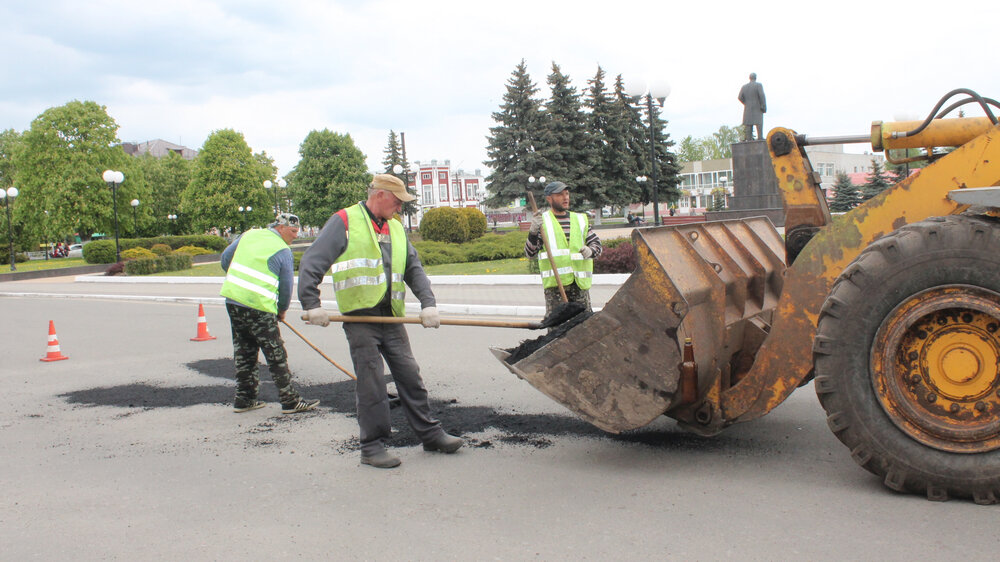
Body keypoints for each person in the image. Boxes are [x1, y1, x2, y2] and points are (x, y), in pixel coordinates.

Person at [298, 174, 463, 469]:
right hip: (360, 316)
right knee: (372, 382)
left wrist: (429, 304)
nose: (400, 207)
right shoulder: (345, 221)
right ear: (381, 195)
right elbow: (313, 260)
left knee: (410, 374)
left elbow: (413, 268)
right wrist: (311, 304)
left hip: (391, 315)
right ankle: (372, 447)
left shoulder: (396, 228)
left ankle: (430, 434)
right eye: (397, 200)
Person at [219, 213, 319, 415]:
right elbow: (286, 287)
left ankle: (244, 399)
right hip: (259, 306)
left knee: (244, 350)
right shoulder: (282, 250)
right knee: (275, 354)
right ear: (280, 227)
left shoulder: (249, 234)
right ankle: (290, 400)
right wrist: (281, 310)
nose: (294, 236)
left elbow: (225, 260)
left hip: (233, 300)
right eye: (292, 232)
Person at [525, 181, 603, 316]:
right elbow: (530, 253)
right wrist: (532, 232)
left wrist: (590, 251)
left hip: (579, 287)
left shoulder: (580, 219)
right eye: (560, 195)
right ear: (549, 198)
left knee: (583, 327)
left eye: (567, 194)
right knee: (558, 330)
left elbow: (597, 245)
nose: (566, 197)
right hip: (556, 289)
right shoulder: (542, 222)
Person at [738, 72, 767, 141]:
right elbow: (762, 96)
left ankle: (749, 139)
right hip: (757, 108)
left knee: (748, 124)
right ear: (755, 78)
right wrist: (763, 106)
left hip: (747, 108)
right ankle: (760, 137)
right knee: (759, 123)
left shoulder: (744, 87)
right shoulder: (758, 85)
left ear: (749, 78)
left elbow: (739, 97)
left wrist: (746, 103)